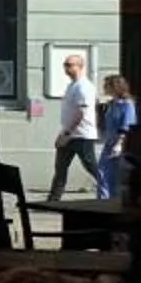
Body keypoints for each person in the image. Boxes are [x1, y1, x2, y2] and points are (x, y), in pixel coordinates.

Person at [48, 53, 102, 200]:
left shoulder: (84, 87)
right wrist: (63, 133)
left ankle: (111, 190)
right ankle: (53, 200)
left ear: (80, 66)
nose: (66, 68)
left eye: (69, 65)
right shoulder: (72, 85)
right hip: (69, 133)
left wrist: (66, 134)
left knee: (91, 166)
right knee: (60, 168)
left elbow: (81, 113)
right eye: (65, 65)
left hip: (82, 135)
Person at [97, 72, 139, 201]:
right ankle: (104, 201)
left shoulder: (127, 104)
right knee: (103, 172)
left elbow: (127, 125)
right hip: (110, 142)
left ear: (115, 87)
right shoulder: (111, 104)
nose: (104, 88)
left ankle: (113, 201)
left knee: (113, 175)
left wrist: (119, 144)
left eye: (107, 85)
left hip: (120, 144)